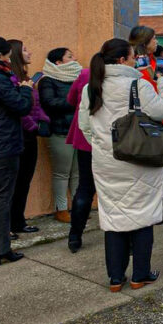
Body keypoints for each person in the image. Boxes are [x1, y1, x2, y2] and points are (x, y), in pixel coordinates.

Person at [78, 38, 163, 291]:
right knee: (143, 216)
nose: (136, 61)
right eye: (133, 56)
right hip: (138, 159)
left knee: (113, 218)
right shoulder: (138, 85)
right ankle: (140, 274)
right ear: (123, 60)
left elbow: (85, 126)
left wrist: (103, 147)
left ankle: (115, 278)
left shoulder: (91, 87)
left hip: (106, 163)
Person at [0, 36, 33, 267]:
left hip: (0, 142)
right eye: (8, 54)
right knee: (1, 197)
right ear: (0, 56)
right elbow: (21, 106)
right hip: (2, 145)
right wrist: (26, 90)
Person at [8, 40, 47, 237]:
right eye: (25, 50)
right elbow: (19, 109)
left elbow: (35, 105)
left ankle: (18, 221)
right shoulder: (12, 79)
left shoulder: (26, 78)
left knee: (24, 180)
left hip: (31, 135)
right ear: (15, 54)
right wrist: (33, 126)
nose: (29, 52)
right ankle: (7, 225)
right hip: (20, 135)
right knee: (14, 182)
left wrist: (43, 121)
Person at [39, 47, 83, 222]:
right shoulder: (48, 80)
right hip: (60, 131)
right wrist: (75, 102)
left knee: (77, 173)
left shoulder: (78, 78)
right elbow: (49, 102)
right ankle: (61, 209)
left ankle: (78, 208)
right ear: (58, 62)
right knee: (62, 173)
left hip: (78, 130)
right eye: (70, 56)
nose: (75, 59)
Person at [66, 67, 94, 253]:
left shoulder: (85, 74)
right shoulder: (124, 77)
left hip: (85, 137)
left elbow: (70, 99)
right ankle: (124, 238)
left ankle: (74, 236)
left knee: (85, 187)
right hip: (111, 140)